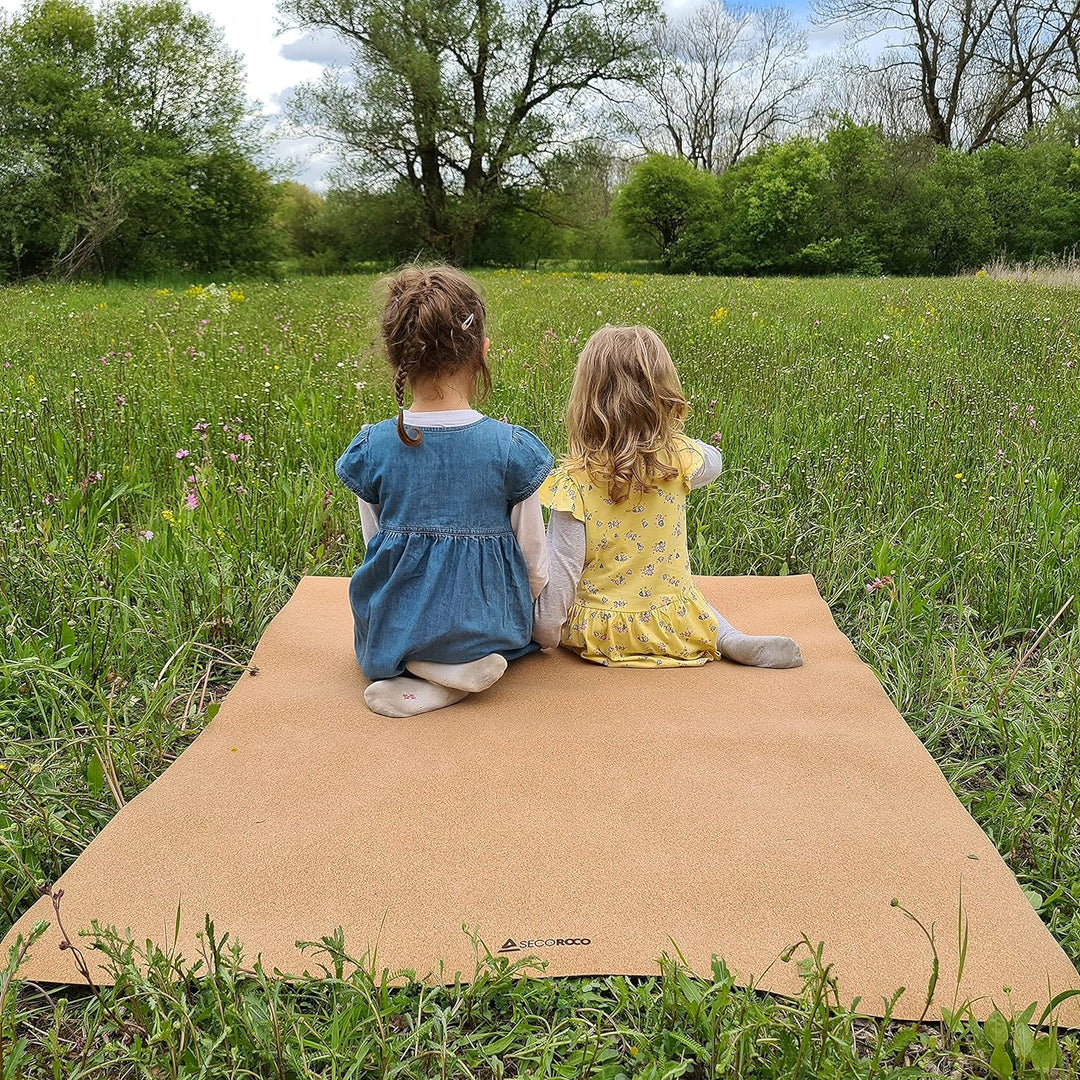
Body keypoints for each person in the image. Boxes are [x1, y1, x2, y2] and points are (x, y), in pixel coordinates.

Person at [336, 266, 553, 716]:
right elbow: (534, 563)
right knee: (498, 639)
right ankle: (453, 676)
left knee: (391, 629)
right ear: (482, 352)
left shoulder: (373, 446)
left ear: (397, 360)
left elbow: (374, 546)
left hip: (394, 626)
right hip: (486, 626)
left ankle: (416, 665)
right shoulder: (510, 448)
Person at [533, 324, 802, 669]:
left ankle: (729, 638)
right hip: (672, 620)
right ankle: (730, 638)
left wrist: (542, 632)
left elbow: (562, 574)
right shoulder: (679, 460)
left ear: (585, 401)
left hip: (601, 632)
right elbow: (715, 462)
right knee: (695, 601)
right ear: (665, 395)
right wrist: (668, 438)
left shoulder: (573, 484)